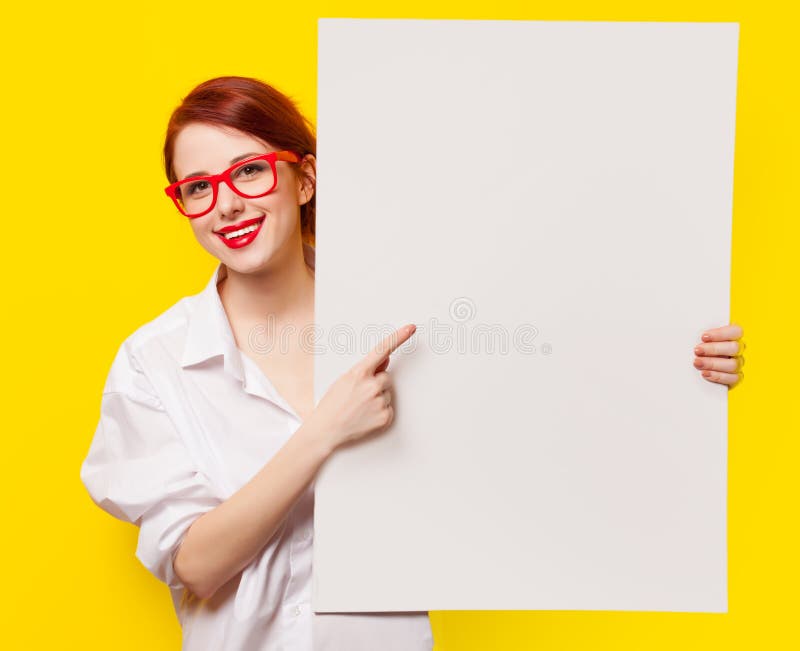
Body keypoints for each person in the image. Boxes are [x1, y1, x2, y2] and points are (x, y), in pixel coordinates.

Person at [79, 75, 744, 651]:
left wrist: (682, 359)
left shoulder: (408, 315)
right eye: (197, 186)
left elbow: (554, 383)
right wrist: (324, 431)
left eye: (248, 170)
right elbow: (196, 563)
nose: (225, 203)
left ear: (304, 177)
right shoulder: (154, 362)